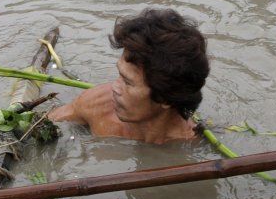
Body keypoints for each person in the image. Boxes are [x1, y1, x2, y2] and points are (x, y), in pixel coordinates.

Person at [49, 9, 210, 144]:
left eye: (128, 82)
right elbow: (44, 123)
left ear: (165, 99)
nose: (114, 88)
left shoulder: (191, 144)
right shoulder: (97, 105)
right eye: (120, 75)